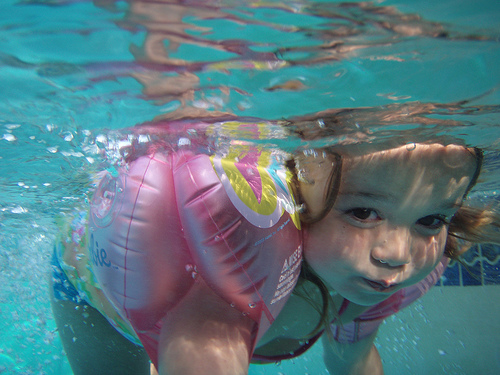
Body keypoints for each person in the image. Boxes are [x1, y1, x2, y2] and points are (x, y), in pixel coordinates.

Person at [50, 120, 499, 375]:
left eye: (430, 220)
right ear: (302, 197)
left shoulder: (389, 280)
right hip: (94, 290)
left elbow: (352, 357)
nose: (396, 253)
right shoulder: (244, 266)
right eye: (362, 213)